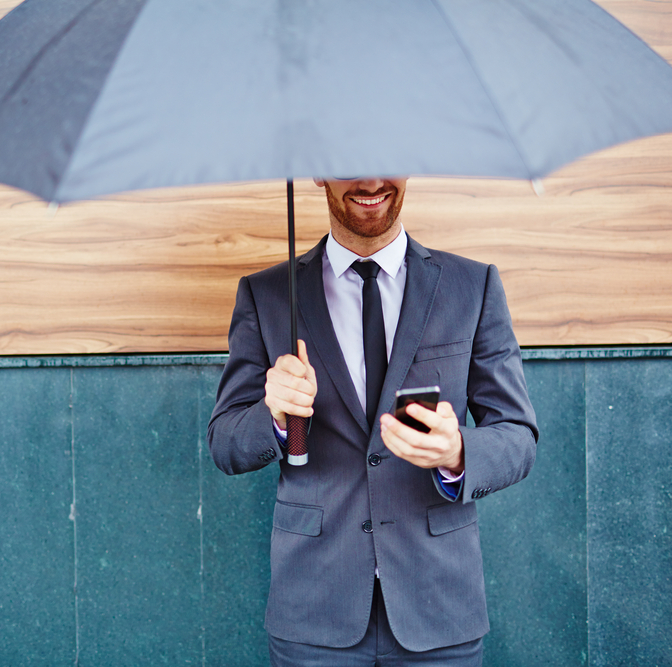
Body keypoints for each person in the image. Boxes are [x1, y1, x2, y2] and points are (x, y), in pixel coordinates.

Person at [207, 177, 538, 666]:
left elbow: (519, 436)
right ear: (317, 170)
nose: (369, 180)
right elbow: (225, 443)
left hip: (440, 608)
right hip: (315, 613)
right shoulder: (268, 295)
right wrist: (272, 415)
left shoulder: (473, 285)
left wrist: (458, 453)